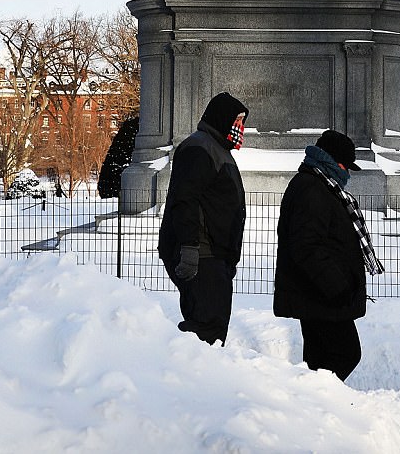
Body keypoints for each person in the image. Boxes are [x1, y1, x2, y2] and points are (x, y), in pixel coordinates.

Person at [273, 130, 384, 381]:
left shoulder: (321, 185)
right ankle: (316, 404)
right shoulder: (312, 188)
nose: (347, 174)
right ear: (333, 162)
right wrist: (338, 286)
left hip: (319, 295)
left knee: (321, 359)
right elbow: (306, 246)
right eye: (346, 166)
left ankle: (316, 408)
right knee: (345, 354)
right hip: (321, 295)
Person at [158, 92, 249, 346]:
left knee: (209, 329)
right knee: (205, 332)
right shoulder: (200, 148)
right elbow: (184, 200)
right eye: (237, 121)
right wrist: (190, 248)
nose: (240, 128)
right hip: (201, 256)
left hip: (212, 256)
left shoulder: (216, 149)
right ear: (222, 119)